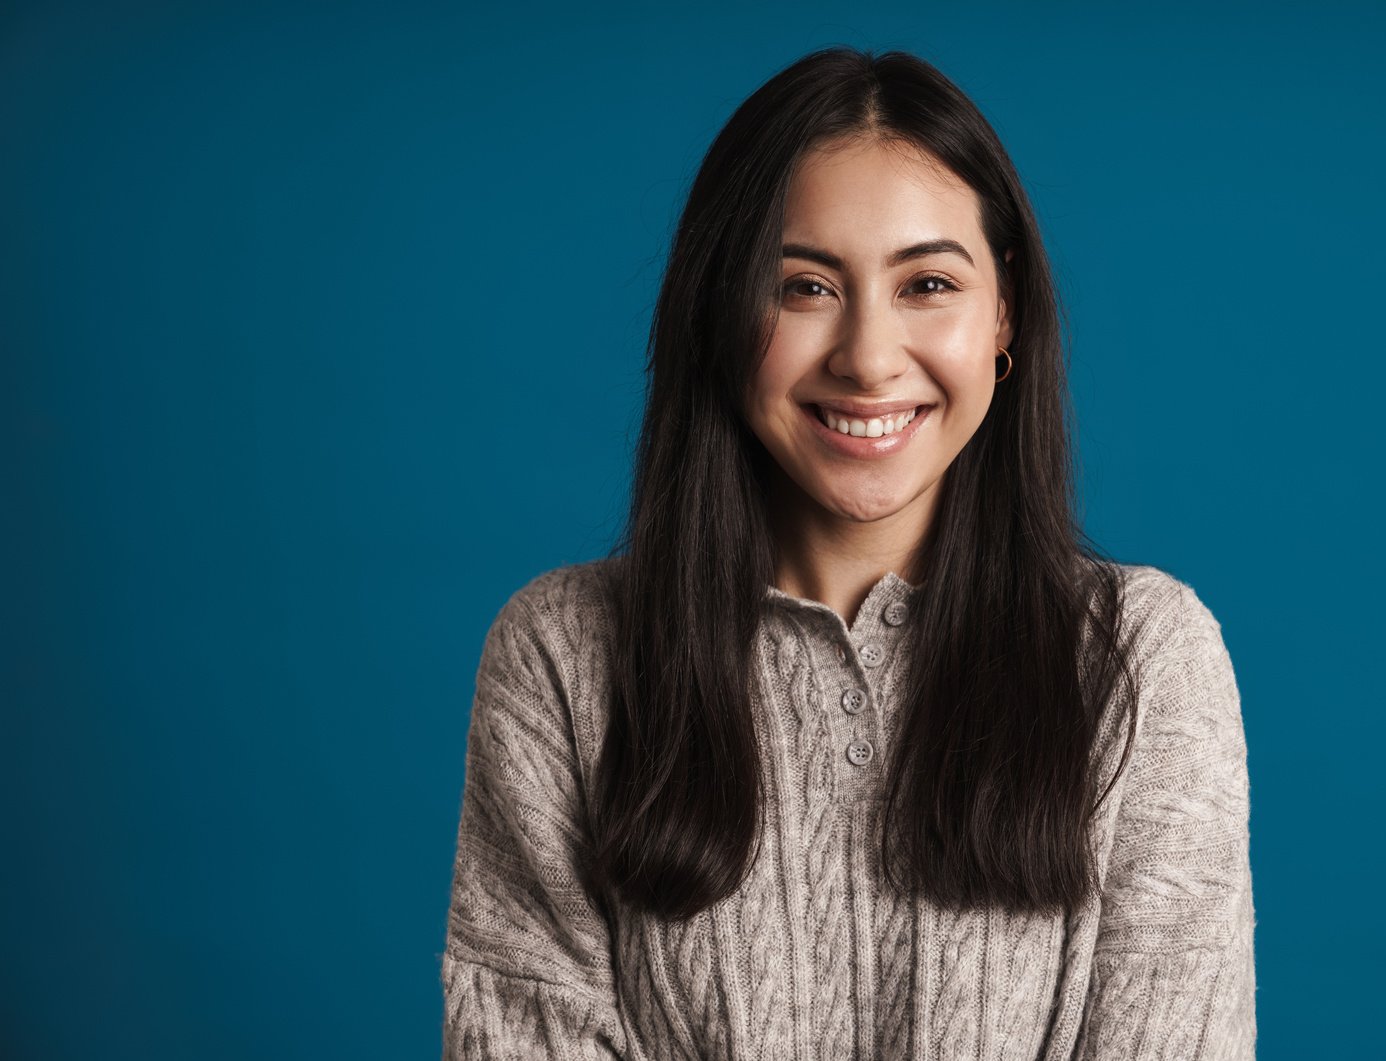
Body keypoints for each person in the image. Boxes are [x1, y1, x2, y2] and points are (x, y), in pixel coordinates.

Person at [440, 46, 1256, 1060]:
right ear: (719, 315)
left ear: (1003, 312)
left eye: (926, 282)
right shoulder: (563, 657)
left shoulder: (1140, 660)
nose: (867, 356)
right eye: (804, 287)